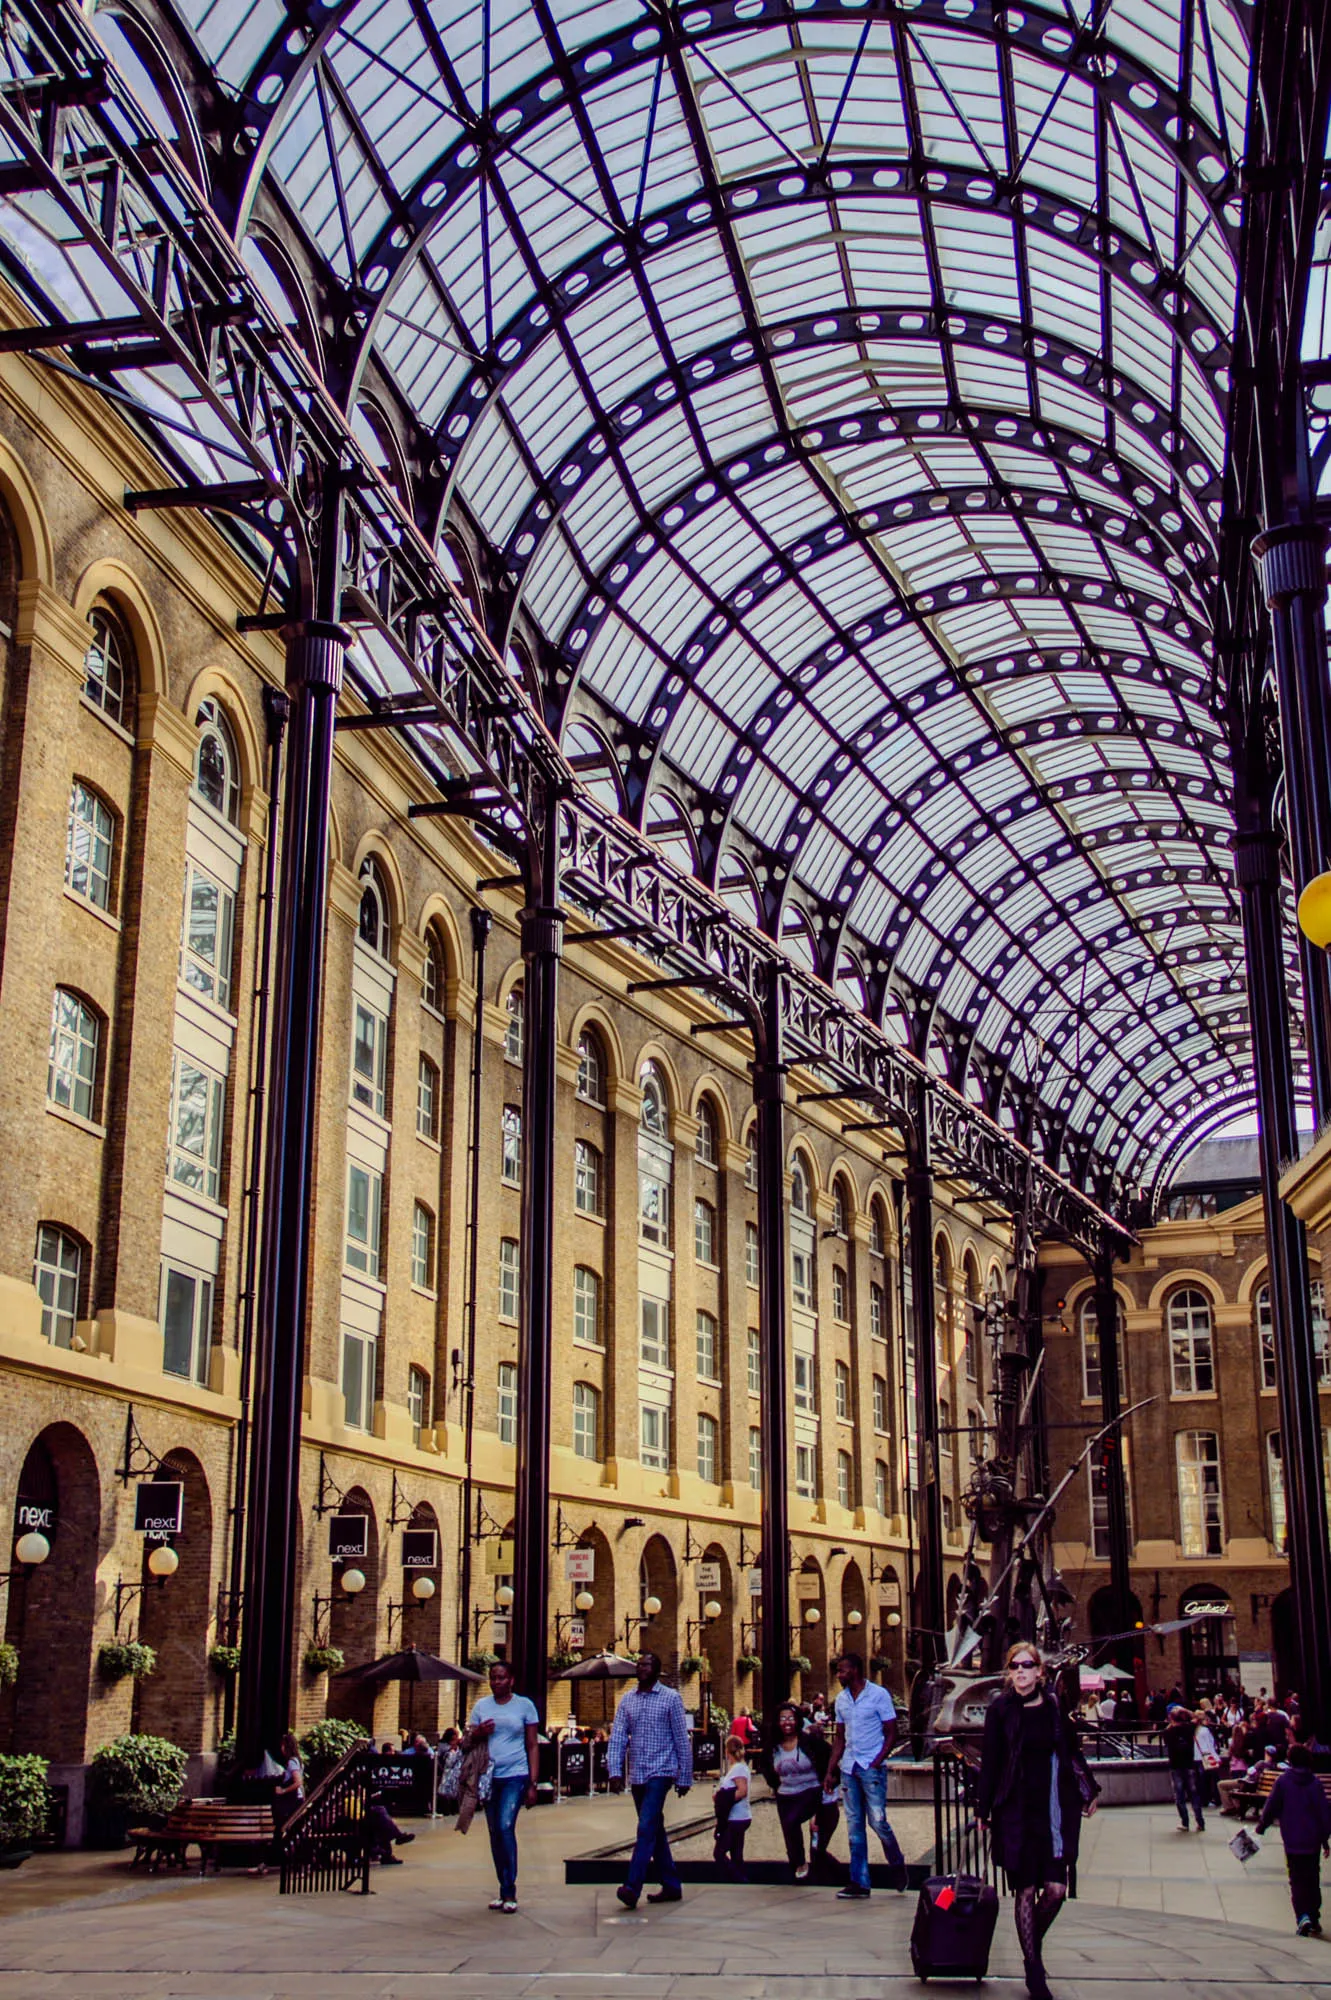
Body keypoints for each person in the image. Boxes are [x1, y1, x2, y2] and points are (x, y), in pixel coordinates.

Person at [977, 1644, 1100, 2000]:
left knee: (1056, 1890)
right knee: (1026, 1889)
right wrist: (982, 1810)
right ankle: (1034, 1968)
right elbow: (991, 1762)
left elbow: (1070, 1750)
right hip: (1015, 1811)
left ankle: (1031, 1947)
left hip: (1051, 1809)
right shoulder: (1000, 1710)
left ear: (1039, 1672)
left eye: (1027, 1666)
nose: (1020, 1671)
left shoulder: (1052, 1705)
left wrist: (1088, 1788)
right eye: (1014, 1666)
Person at [607, 1651, 693, 1909]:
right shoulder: (627, 1700)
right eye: (639, 1664)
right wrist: (614, 1771)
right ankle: (671, 1884)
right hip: (638, 1773)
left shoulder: (670, 1698)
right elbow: (618, 1736)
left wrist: (685, 1775)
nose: (641, 1668)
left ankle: (632, 1886)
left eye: (647, 1665)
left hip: (662, 1770)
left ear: (657, 1670)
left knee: (645, 1827)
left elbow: (681, 1738)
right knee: (654, 1828)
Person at [824, 1651, 907, 1899]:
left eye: (843, 1670)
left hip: (871, 1766)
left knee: (878, 1821)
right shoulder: (841, 1700)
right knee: (854, 1826)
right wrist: (831, 1771)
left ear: (856, 1671)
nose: (839, 1675)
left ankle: (897, 1862)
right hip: (849, 1767)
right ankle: (859, 1882)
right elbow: (839, 1737)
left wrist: (878, 1760)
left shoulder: (878, 1695)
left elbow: (892, 1731)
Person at [468, 1659, 539, 1912]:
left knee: (505, 1825)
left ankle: (510, 1891)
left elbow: (532, 1744)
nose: (496, 1682)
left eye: (501, 1678)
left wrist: (532, 1782)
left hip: (515, 1775)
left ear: (511, 1680)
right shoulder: (481, 1706)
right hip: (489, 1777)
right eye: (493, 1678)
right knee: (494, 1832)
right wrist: (478, 1733)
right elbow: (467, 1741)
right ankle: (502, 1888)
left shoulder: (525, 1706)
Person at [1257, 1742, 1331, 1935]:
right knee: (1312, 1878)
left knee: (1296, 1879)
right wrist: (1325, 1839)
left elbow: (1271, 1806)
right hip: (1312, 1840)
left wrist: (1262, 1825)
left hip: (1292, 1839)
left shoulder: (1283, 1781)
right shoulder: (1314, 1783)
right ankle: (1314, 1916)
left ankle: (1302, 1916)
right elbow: (1324, 1813)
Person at [764, 1701, 840, 1881]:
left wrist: (830, 1781)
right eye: (782, 1719)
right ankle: (799, 1866)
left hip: (810, 1790)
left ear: (797, 1720)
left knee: (804, 1830)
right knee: (790, 1833)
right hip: (786, 1794)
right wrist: (775, 1784)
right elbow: (767, 1768)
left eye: (791, 1718)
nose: (787, 1722)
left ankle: (830, 1870)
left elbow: (830, 1760)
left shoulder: (810, 1743)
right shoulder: (773, 1747)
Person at [712, 1734, 752, 1880]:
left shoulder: (738, 1769)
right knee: (736, 1853)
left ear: (727, 1751)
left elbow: (742, 1791)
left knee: (719, 1853)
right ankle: (740, 1879)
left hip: (737, 1817)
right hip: (738, 1816)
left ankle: (738, 1878)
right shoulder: (738, 1768)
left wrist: (721, 1798)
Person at [1163, 1705, 1205, 1831]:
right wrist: (1186, 1711)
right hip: (1189, 1765)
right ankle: (1200, 1822)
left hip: (1176, 1767)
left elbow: (1167, 1733)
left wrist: (1172, 1721)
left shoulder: (1168, 1732)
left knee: (1180, 1796)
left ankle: (1185, 1822)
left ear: (1171, 1719)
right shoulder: (1189, 1728)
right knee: (1194, 1795)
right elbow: (1199, 1717)